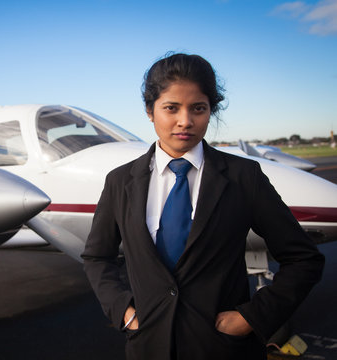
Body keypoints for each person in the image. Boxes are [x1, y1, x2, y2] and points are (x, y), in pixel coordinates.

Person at [81, 53, 324, 360]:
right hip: (148, 346)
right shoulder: (119, 182)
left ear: (211, 111)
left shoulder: (243, 177)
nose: (186, 121)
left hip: (224, 349)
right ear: (149, 110)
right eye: (171, 108)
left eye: (199, 108)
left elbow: (304, 258)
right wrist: (123, 311)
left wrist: (252, 317)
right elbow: (96, 257)